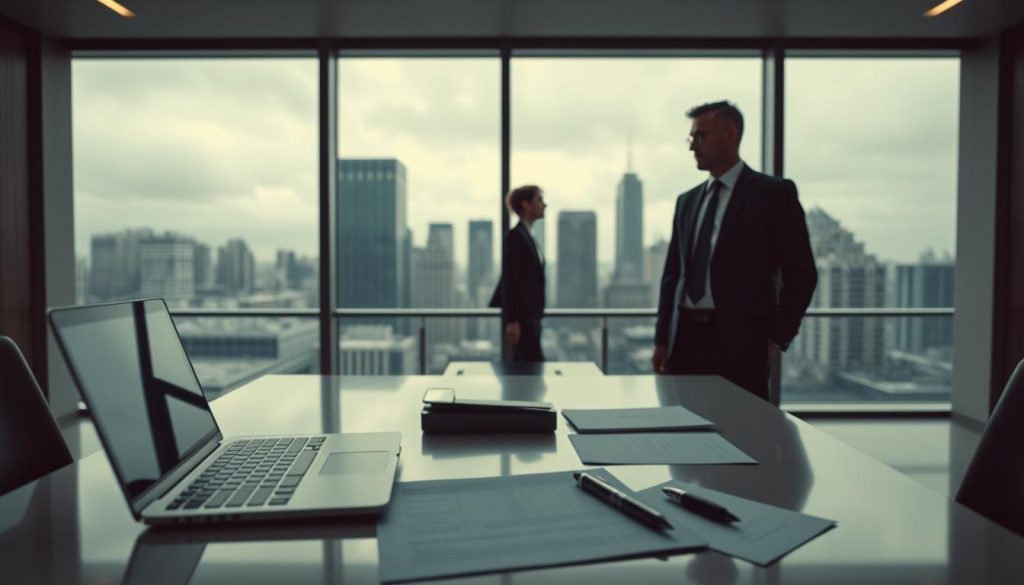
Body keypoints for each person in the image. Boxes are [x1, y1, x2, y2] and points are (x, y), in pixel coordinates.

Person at [653, 101, 817, 401]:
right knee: (681, 433)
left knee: (744, 437)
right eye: (691, 138)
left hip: (742, 344)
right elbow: (672, 275)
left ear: (730, 134)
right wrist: (662, 339)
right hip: (684, 340)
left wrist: (775, 338)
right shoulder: (686, 202)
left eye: (700, 137)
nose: (693, 147)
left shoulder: (773, 194)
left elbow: (802, 273)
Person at [490, 185, 547, 362]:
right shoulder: (516, 237)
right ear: (526, 205)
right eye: (539, 200)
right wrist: (513, 321)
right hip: (523, 320)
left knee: (528, 371)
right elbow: (510, 280)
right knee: (532, 369)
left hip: (531, 318)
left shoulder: (528, 236)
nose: (545, 205)